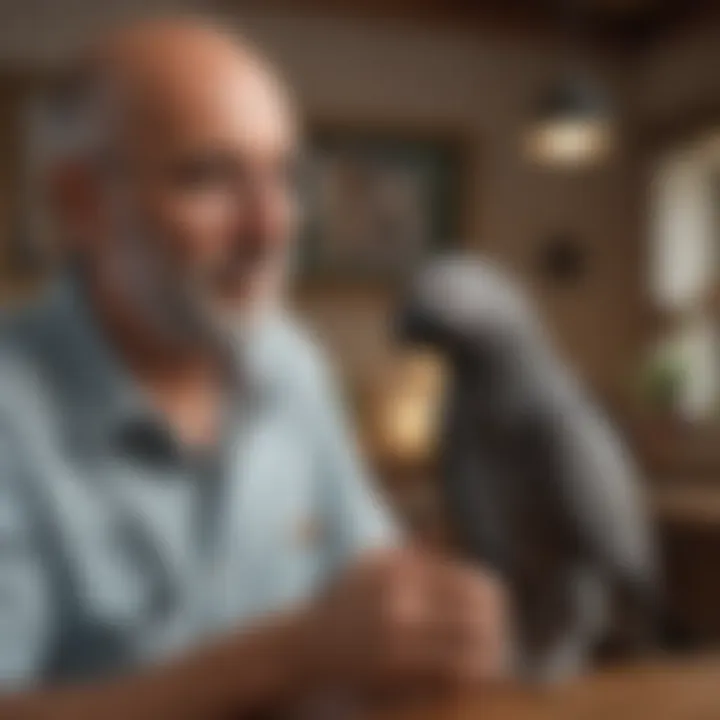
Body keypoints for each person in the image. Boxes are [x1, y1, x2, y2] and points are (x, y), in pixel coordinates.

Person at [0, 16, 508, 720]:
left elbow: (363, 567)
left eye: (284, 176)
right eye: (208, 177)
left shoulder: (291, 361)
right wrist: (290, 656)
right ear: (80, 204)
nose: (271, 227)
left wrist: (422, 622)